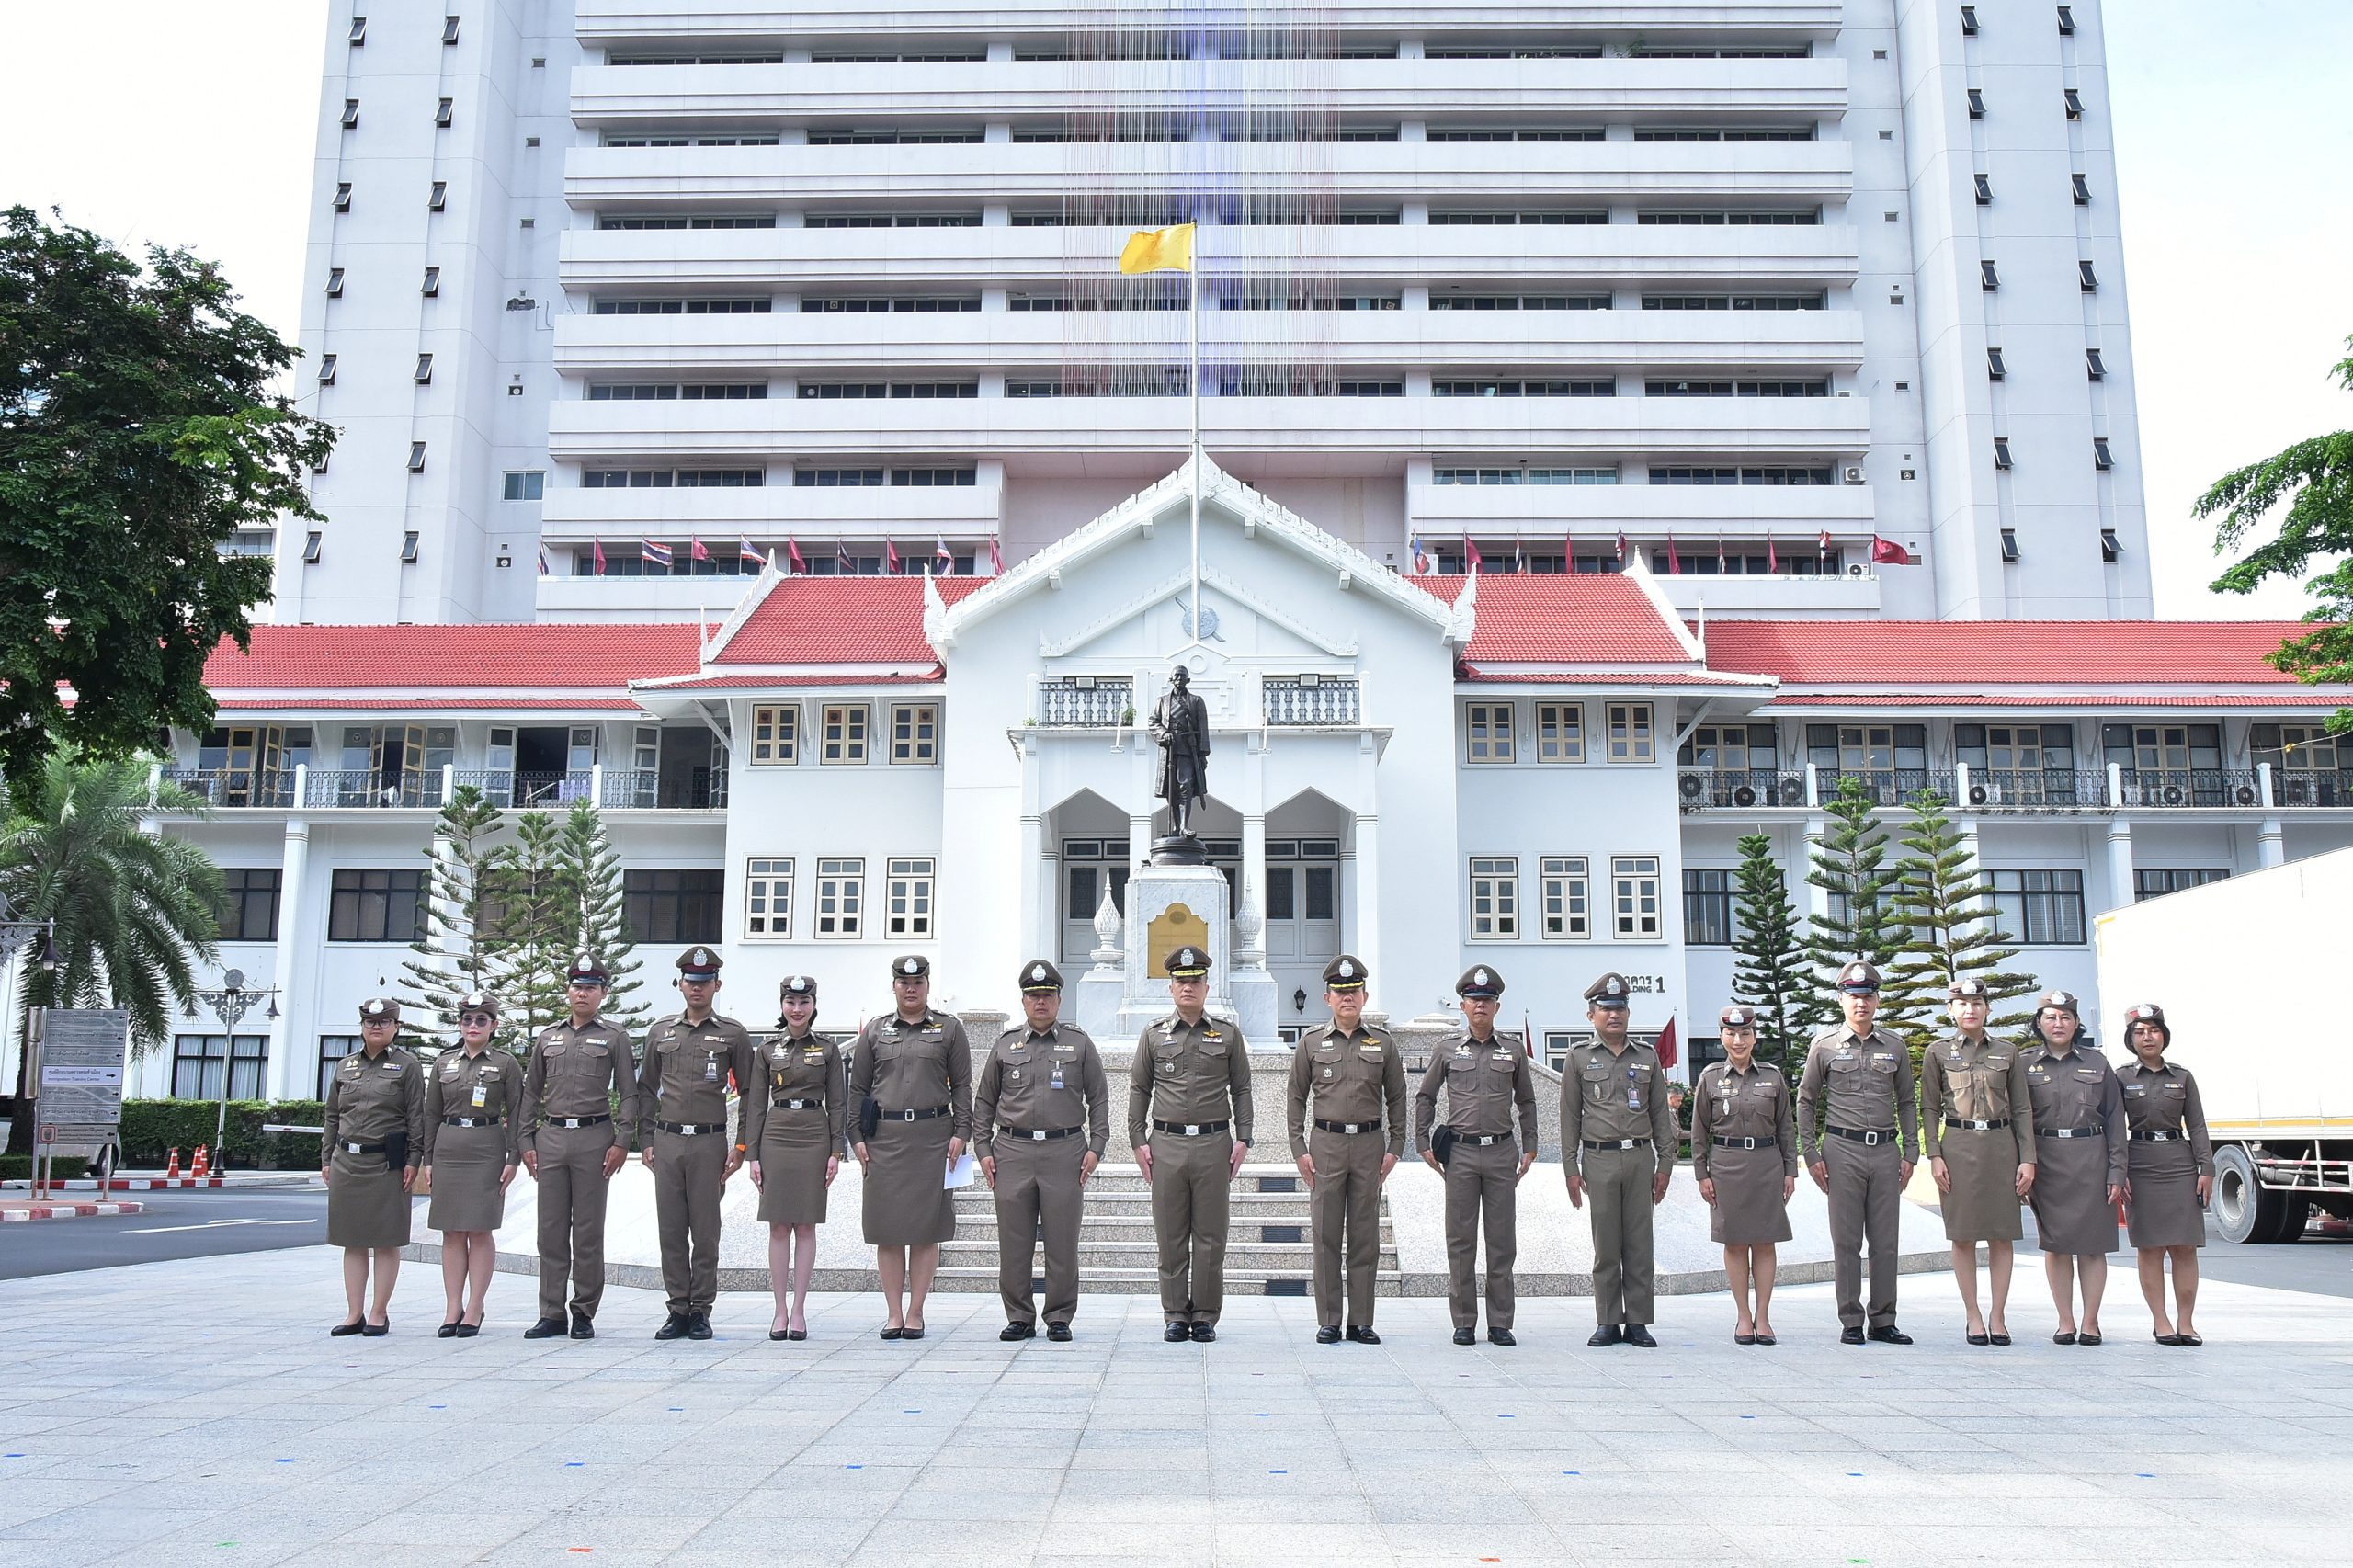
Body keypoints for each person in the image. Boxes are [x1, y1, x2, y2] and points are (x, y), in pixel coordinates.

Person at [974, 960, 1109, 1341]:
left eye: (1047, 995)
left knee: (1062, 1241)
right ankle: (1019, 1316)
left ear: (1059, 1000)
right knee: (1014, 1241)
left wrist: (1097, 1146)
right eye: (1033, 996)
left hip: (1064, 1151)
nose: (1040, 1002)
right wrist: (983, 1148)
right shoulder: (1005, 1045)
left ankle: (1059, 1316)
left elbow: (1099, 1098)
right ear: (1023, 1000)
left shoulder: (1079, 1044)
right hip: (1012, 1152)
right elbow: (984, 1101)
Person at [1129, 944, 1253, 1343]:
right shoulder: (1153, 1035)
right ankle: (1175, 1314)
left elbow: (1242, 1088)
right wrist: (1137, 1139)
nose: (1188, 987)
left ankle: (1204, 1315)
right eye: (1181, 981)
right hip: (1166, 1144)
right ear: (1171, 987)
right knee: (1170, 1236)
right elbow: (1139, 1088)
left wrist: (1244, 1138)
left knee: (1211, 1237)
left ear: (1206, 987)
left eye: (1195, 981)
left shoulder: (1227, 1034)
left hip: (1214, 1143)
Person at [636, 946, 759, 1341]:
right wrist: (645, 1139)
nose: (697, 988)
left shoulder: (732, 1033)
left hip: (709, 1143)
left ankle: (701, 1309)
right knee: (671, 1231)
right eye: (691, 981)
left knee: (705, 1233)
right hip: (668, 1141)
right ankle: (677, 1308)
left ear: (716, 985)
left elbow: (751, 1093)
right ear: (680, 984)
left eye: (705, 982)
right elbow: (645, 1089)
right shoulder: (661, 1031)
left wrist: (741, 1147)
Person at [1796, 960, 1920, 1346]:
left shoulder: (1894, 1046)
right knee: (1846, 1240)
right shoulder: (1825, 1046)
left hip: (1885, 1150)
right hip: (1842, 1150)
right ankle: (1850, 1319)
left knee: (1885, 1241)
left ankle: (1883, 1319)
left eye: (1867, 996)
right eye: (1853, 996)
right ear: (1841, 1000)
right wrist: (1811, 1154)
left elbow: (1906, 1101)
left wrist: (1911, 1152)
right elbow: (1805, 1100)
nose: (1860, 1003)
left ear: (1877, 1000)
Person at [849, 954, 973, 1341]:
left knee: (925, 1230)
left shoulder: (949, 1029)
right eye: (904, 983)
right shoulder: (875, 1031)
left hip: (932, 1138)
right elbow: (858, 1088)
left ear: (928, 985)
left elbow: (963, 1086)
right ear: (894, 986)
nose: (911, 989)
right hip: (883, 1140)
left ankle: (916, 1311)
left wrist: (962, 1132)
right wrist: (855, 1137)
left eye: (918, 982)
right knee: (886, 1230)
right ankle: (893, 1313)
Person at [517, 952, 641, 1340]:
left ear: (603, 993)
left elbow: (629, 1092)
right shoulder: (547, 1038)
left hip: (594, 1138)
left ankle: (584, 1311)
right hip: (552, 1138)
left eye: (590, 987)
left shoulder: (614, 1037)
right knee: (550, 1231)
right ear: (567, 991)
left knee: (587, 1231)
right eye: (577, 986)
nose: (582, 993)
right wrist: (526, 1140)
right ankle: (551, 1312)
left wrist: (623, 1140)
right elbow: (530, 1092)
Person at [1287, 954, 1407, 1345]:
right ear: (1328, 998)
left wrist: (1396, 1146)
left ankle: (1361, 1321)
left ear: (1365, 996)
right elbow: (1296, 1098)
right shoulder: (1311, 1043)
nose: (1348, 997)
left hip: (1370, 1145)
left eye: (1354, 990)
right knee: (1325, 1234)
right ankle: (1329, 1320)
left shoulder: (1383, 1044)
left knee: (1364, 1236)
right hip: (1326, 1145)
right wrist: (1299, 1148)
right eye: (1340, 992)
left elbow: (1398, 1097)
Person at [1415, 964, 1539, 1346]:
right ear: (1462, 1006)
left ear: (1497, 1007)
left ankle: (1500, 1322)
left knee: (1501, 1242)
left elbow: (1527, 1101)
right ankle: (1464, 1320)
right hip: (1461, 1155)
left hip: (1501, 1153)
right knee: (1461, 1241)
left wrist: (1530, 1145)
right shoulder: (1447, 1049)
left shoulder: (1512, 1050)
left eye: (1487, 1000)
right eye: (1473, 1000)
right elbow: (1426, 1095)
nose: (1480, 1006)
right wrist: (1422, 1141)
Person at [1559, 972, 1678, 1347]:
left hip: (1640, 1157)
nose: (1614, 1015)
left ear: (1628, 1013)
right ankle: (1609, 1320)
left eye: (1620, 1008)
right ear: (1591, 1015)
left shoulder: (1646, 1057)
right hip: (1599, 1159)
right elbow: (1569, 1117)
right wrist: (1570, 1168)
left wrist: (1665, 1164)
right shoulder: (1579, 1057)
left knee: (1640, 1244)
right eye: (1606, 1009)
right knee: (1606, 1244)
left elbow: (1660, 1114)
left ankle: (1638, 1321)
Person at [1917, 978, 2036, 1346]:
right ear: (1950, 1010)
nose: (1970, 1009)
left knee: (2002, 1235)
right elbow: (1929, 1107)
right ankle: (1973, 1315)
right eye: (1963, 1003)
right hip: (1958, 1146)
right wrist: (1934, 1155)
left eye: (1977, 1003)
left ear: (1988, 1009)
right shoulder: (1938, 1052)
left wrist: (2028, 1159)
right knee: (1963, 1235)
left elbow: (2022, 1109)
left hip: (2001, 1147)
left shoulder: (2007, 1052)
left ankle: (1998, 1316)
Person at [2021, 988, 2127, 1345]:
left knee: (2093, 1245)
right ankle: (2065, 1321)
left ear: (2077, 1022)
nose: (2058, 1023)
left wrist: (2117, 1170)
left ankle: (2091, 1321)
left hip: (2091, 1159)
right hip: (2046, 1161)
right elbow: (2017, 1119)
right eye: (2050, 1017)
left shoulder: (2097, 1063)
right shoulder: (2024, 1064)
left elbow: (2115, 1119)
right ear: (2039, 1023)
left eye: (2065, 1017)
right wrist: (2023, 1164)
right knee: (2056, 1245)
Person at [1690, 1006, 1797, 1346]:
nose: (1738, 1040)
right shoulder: (1710, 1077)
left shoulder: (1772, 1076)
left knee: (1765, 1242)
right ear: (1721, 1037)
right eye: (1731, 1033)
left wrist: (1790, 1171)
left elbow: (1786, 1127)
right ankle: (1743, 1317)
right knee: (1735, 1243)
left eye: (1745, 1033)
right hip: (1726, 1166)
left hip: (1767, 1164)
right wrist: (1702, 1174)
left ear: (1754, 1037)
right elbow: (1698, 1132)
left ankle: (1763, 1317)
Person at [420, 991, 524, 1337]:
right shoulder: (444, 1062)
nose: (473, 1025)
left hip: (487, 1148)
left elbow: (518, 1112)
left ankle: (475, 1306)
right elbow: (431, 1113)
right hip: (449, 1148)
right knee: (451, 1230)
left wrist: (513, 1157)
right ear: (459, 1024)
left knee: (480, 1229)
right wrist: (428, 1160)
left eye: (481, 1020)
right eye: (467, 1020)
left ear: (494, 1025)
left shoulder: (506, 1063)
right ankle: (453, 1306)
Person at [322, 997, 426, 1336]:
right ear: (362, 1026)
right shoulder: (345, 1066)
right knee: (351, 1239)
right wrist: (326, 1158)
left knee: (385, 1239)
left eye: (384, 1022)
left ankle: (379, 1313)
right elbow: (333, 1116)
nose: (376, 1027)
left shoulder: (407, 1066)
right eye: (370, 1022)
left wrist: (414, 1160)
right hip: (347, 1160)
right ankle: (354, 1313)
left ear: (396, 1027)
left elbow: (416, 1117)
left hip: (387, 1162)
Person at [752, 973, 844, 1341]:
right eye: (791, 1002)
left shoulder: (828, 1049)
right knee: (778, 1225)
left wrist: (836, 1150)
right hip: (776, 1134)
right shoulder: (766, 1049)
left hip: (813, 1134)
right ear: (782, 1005)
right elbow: (755, 1105)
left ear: (813, 1006)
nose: (797, 1008)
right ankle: (779, 1310)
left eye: (804, 1002)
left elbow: (838, 1103)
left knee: (806, 1225)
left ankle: (800, 1309)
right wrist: (752, 1154)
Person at [2118, 1003, 2212, 1346]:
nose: (2148, 1037)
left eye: (2154, 1030)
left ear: (2164, 1036)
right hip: (2140, 1163)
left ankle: (2186, 1322)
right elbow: (2114, 1128)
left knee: (2185, 1246)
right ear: (2131, 1039)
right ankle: (2161, 1321)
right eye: (2140, 1032)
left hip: (2179, 1162)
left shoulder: (2182, 1077)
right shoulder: (2121, 1077)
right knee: (2150, 1247)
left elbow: (2197, 1125)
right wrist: (2119, 1170)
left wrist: (2206, 1167)